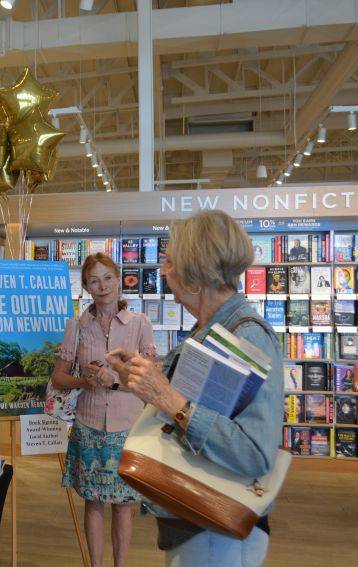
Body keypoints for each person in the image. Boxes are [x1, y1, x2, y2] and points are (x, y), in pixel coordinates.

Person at [110, 210, 283, 567]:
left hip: (213, 530)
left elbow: (253, 453)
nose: (162, 272)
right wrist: (145, 379)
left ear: (195, 275)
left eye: (171, 262)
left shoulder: (246, 336)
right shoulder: (210, 330)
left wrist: (168, 398)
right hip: (195, 523)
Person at [49, 253, 156, 567]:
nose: (103, 285)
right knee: (92, 502)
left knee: (123, 505)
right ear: (85, 286)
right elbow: (58, 377)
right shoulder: (78, 326)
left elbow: (151, 384)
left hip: (127, 429)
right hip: (88, 425)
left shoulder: (139, 324)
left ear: (119, 279)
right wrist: (85, 380)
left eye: (108, 277)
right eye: (94, 280)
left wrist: (113, 381)